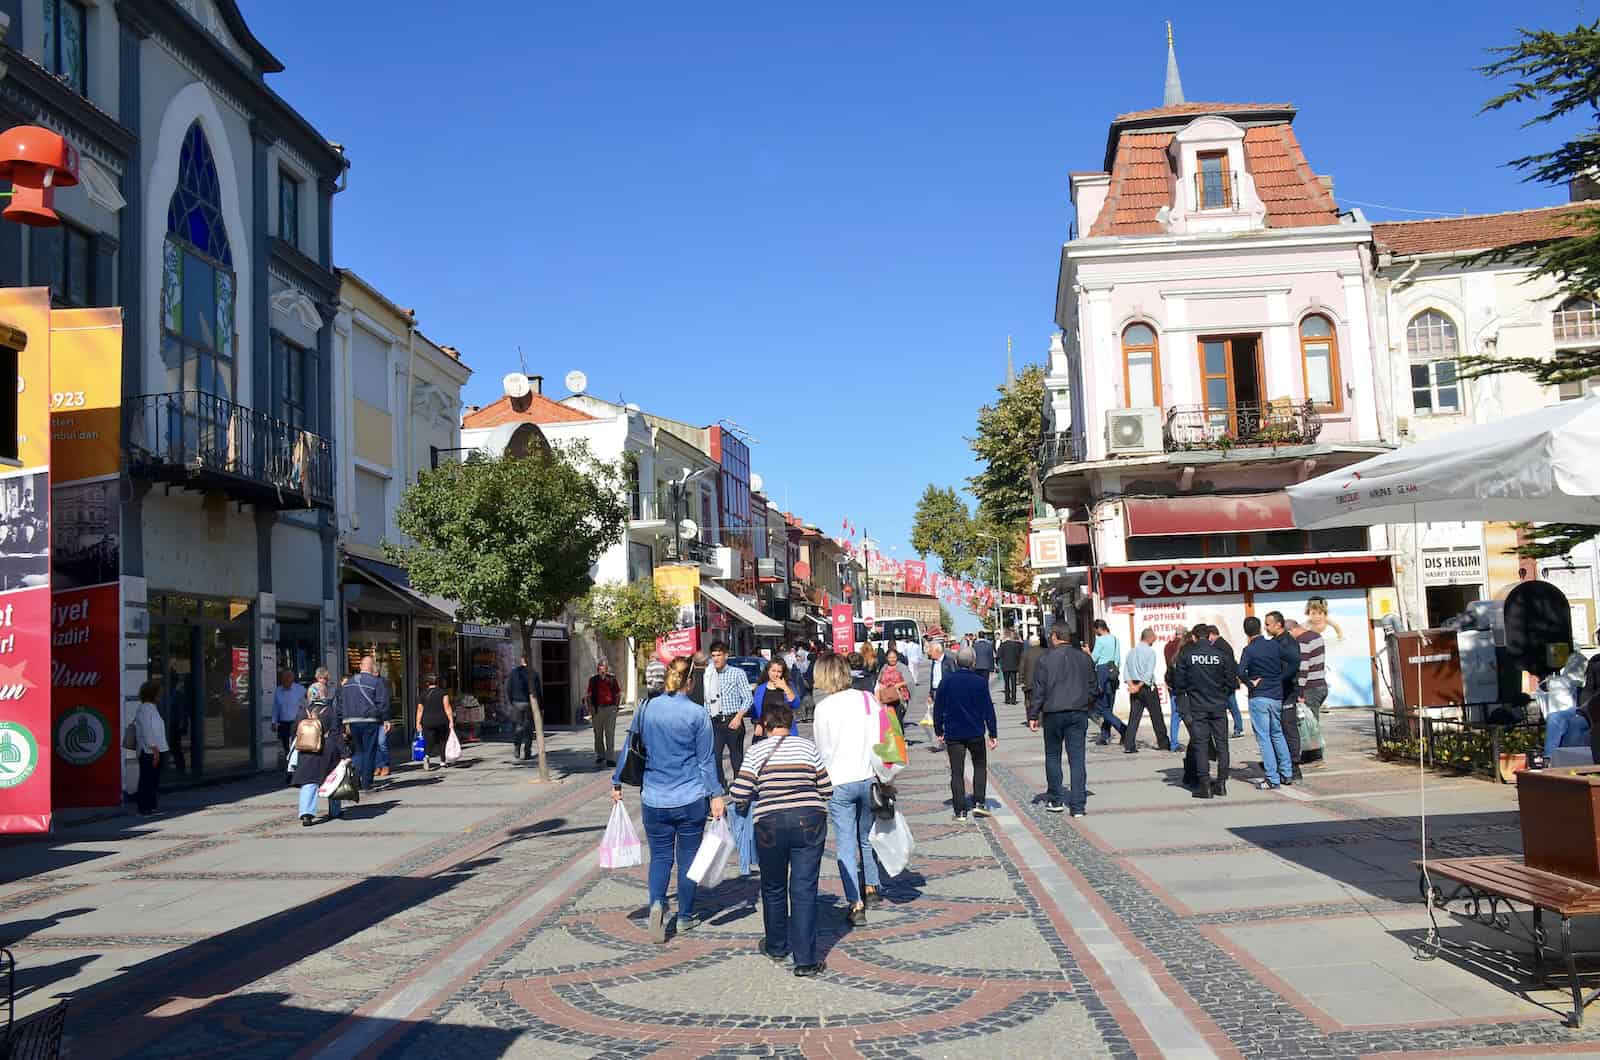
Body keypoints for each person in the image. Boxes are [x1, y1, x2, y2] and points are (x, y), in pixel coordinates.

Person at [612, 658, 725, 943]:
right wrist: (716, 794)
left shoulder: (646, 709)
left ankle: (657, 903)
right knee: (688, 860)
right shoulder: (698, 714)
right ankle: (685, 917)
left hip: (654, 798)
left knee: (660, 857)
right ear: (690, 681)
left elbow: (631, 746)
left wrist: (616, 781)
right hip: (690, 798)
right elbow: (705, 761)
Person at [728, 699, 833, 977]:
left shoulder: (756, 752)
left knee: (773, 886)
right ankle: (806, 960)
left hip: (770, 824)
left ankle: (775, 945)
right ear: (790, 724)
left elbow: (739, 793)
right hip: (809, 821)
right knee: (804, 889)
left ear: (765, 725)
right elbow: (826, 788)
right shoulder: (807, 747)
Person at [812, 653, 885, 926]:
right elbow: (881, 738)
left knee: (845, 844)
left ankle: (856, 904)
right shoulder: (866, 698)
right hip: (867, 776)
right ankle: (872, 886)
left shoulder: (824, 708)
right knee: (865, 835)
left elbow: (822, 750)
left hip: (838, 781)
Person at [1029, 626, 1097, 816]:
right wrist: (1086, 704)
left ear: (1055, 637)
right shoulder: (1084, 658)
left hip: (1053, 712)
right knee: (1077, 758)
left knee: (1053, 756)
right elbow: (1094, 687)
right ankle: (1078, 806)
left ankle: (1056, 799)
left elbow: (1039, 690)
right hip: (1078, 711)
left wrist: (1033, 715)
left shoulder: (1045, 659)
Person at [1173, 622, 1237, 799]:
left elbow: (1178, 684)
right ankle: (1222, 784)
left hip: (1198, 706)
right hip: (1218, 706)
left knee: (1201, 746)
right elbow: (1232, 682)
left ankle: (1205, 786)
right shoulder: (1221, 655)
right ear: (1209, 636)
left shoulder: (1187, 656)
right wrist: (1222, 695)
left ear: (1193, 637)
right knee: (1222, 744)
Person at [934, 647, 998, 821]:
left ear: (956, 662)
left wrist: (938, 730)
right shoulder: (979, 682)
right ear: (973, 662)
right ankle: (979, 802)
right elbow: (988, 709)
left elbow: (938, 708)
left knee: (956, 771)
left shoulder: (946, 681)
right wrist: (993, 733)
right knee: (979, 766)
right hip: (975, 731)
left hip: (954, 733)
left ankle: (960, 810)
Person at [1239, 617, 1293, 790]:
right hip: (1276, 695)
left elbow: (1240, 671)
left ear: (1246, 631)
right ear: (1261, 628)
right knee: (1277, 734)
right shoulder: (1275, 645)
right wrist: (1280, 678)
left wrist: (1249, 682)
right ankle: (1287, 772)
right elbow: (1292, 661)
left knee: (1264, 737)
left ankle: (1272, 778)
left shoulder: (1249, 650)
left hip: (1259, 696)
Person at [293, 676, 349, 825]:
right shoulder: (330, 711)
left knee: (308, 782)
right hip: (327, 750)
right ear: (324, 694)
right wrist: (344, 754)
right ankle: (335, 810)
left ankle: (306, 813)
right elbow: (336, 734)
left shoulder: (302, 711)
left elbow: (295, 731)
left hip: (306, 751)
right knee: (333, 779)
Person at [704, 641, 753, 791]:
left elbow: (748, 698)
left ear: (726, 655)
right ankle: (721, 784)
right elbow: (706, 700)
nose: (716, 658)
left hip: (733, 720)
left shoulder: (737, 673)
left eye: (719, 655)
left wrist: (738, 717)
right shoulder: (708, 674)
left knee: (736, 757)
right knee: (715, 757)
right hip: (715, 721)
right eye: (713, 655)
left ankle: (740, 786)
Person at [1264, 612, 1303, 780]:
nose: (1265, 627)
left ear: (1278, 625)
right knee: (1276, 729)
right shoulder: (1273, 643)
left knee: (1289, 728)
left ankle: (1294, 766)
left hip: (1287, 691)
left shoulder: (1289, 643)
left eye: (1268, 624)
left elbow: (1292, 667)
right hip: (1275, 692)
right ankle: (1283, 763)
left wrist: (1278, 680)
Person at [342, 656, 389, 791]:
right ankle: (366, 782)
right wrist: (385, 718)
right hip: (370, 720)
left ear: (361, 666)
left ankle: (355, 779)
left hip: (353, 721)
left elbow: (343, 703)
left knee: (358, 751)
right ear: (372, 666)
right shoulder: (376, 682)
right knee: (369, 751)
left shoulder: (348, 683)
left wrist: (345, 722)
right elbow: (382, 702)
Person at [1121, 628, 1168, 753]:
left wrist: (1132, 685)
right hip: (1146, 687)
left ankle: (1129, 745)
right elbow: (1148, 673)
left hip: (1135, 687)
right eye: (1154, 637)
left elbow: (1126, 671)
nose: (1155, 639)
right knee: (1156, 716)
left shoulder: (1131, 652)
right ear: (1149, 637)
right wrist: (1139, 685)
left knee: (1134, 717)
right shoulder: (1150, 652)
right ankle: (1163, 743)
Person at [1286, 618, 1324, 764]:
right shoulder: (1316, 636)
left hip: (1310, 686)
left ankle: (1313, 754)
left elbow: (1303, 667)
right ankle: (1313, 753)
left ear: (1291, 630)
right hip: (1320, 683)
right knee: (1313, 721)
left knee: (1308, 724)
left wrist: (1300, 692)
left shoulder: (1302, 641)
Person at [132, 678, 170, 816]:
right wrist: (154, 750)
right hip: (149, 751)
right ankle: (144, 808)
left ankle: (151, 806)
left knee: (153, 780)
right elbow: (147, 731)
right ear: (153, 693)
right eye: (159, 692)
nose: (161, 695)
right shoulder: (144, 709)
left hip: (157, 749)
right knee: (147, 779)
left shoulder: (152, 708)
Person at [1201, 626, 1245, 739]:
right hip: (1228, 681)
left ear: (1212, 634)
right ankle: (1237, 728)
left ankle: (1238, 728)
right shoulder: (1222, 644)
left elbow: (1226, 666)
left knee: (1231, 705)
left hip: (1226, 682)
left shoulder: (1219, 646)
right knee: (1231, 705)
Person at [1090, 620, 1127, 745]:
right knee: (1108, 707)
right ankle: (1105, 736)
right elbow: (1118, 660)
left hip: (1102, 673)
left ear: (1099, 629)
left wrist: (1087, 652)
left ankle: (1123, 728)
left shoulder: (1100, 640)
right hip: (1113, 675)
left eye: (1095, 630)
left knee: (1101, 708)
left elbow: (1093, 658)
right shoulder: (1115, 640)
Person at [584, 660, 622, 767]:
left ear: (606, 669)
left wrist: (616, 707)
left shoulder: (612, 679)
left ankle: (610, 758)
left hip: (610, 709)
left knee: (610, 734)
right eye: (600, 669)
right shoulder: (593, 680)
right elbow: (589, 695)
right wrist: (590, 709)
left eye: (604, 669)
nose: (602, 671)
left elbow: (618, 694)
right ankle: (600, 755)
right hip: (597, 709)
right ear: (598, 669)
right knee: (598, 734)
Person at [507, 655, 545, 762]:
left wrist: (512, 701)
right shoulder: (533, 673)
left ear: (521, 660)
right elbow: (537, 691)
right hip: (529, 703)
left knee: (518, 726)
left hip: (517, 703)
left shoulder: (514, 673)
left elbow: (508, 688)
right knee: (528, 727)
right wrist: (541, 706)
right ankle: (527, 751)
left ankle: (517, 747)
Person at [752, 657, 802, 738]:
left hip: (785, 731)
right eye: (773, 671)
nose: (776, 674)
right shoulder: (760, 689)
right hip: (765, 731)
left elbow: (796, 704)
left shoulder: (788, 686)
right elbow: (755, 711)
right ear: (768, 671)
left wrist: (785, 688)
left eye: (779, 671)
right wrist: (757, 723)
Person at [415, 673, 455, 771]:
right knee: (442, 741)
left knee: (429, 741)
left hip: (427, 721)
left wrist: (418, 723)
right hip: (441, 720)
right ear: (438, 682)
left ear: (427, 683)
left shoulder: (423, 694)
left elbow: (420, 710)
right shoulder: (443, 693)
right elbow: (447, 707)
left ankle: (427, 756)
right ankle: (442, 762)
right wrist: (451, 721)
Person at [272, 668, 306, 766]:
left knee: (296, 746)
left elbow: (306, 705)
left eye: (289, 677)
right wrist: (274, 721)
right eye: (284, 677)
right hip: (284, 723)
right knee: (286, 746)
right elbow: (276, 707)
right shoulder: (278, 690)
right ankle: (289, 765)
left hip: (296, 723)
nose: (286, 679)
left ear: (292, 678)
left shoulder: (300, 689)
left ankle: (296, 765)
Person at [874, 648, 912, 729]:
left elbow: (909, 680)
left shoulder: (902, 667)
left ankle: (901, 738)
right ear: (887, 658)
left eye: (894, 657)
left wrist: (897, 685)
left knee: (898, 719)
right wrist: (881, 686)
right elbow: (879, 680)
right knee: (889, 719)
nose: (892, 659)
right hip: (887, 697)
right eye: (890, 657)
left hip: (900, 697)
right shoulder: (884, 667)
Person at [1020, 631, 1046, 726]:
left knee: (1028, 701)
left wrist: (1021, 680)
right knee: (1042, 700)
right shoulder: (1045, 652)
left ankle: (1030, 719)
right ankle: (1041, 719)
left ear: (1030, 643)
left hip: (1029, 682)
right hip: (1043, 681)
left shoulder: (1025, 653)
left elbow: (1022, 667)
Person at [997, 629, 1024, 705]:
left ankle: (1007, 699)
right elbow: (1019, 655)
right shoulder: (1015, 645)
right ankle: (1013, 699)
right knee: (1013, 683)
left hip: (1005, 666)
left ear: (1005, 636)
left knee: (1006, 683)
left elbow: (999, 655)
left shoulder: (1003, 645)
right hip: (1014, 666)